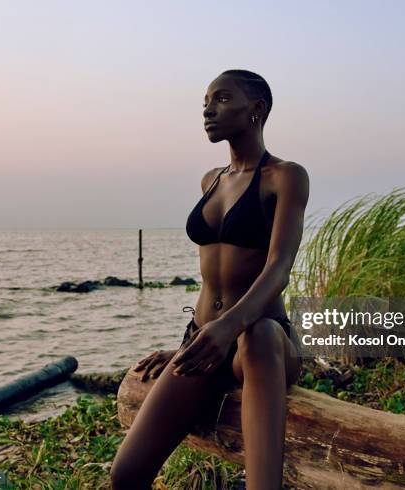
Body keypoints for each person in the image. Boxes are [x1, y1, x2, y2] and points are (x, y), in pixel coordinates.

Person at [111, 69, 309, 490]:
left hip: (261, 342)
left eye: (220, 99)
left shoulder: (285, 176)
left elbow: (279, 268)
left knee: (257, 338)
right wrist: (198, 340)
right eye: (205, 100)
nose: (207, 109)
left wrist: (227, 328)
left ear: (257, 109)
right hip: (203, 340)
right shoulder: (211, 180)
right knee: (126, 475)